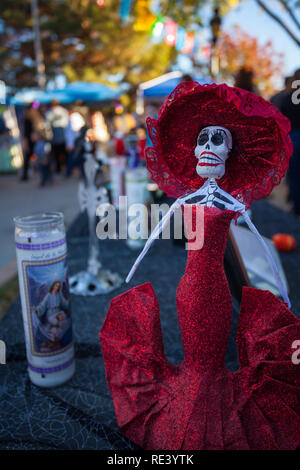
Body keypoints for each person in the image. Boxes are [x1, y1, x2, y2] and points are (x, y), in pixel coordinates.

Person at [100, 82, 300, 450]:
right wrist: (136, 264)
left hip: (214, 289)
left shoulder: (230, 202)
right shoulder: (185, 200)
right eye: (202, 139)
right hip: (188, 286)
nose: (208, 147)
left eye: (218, 140)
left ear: (232, 151)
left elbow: (257, 239)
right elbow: (156, 232)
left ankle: (208, 378)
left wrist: (278, 284)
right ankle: (195, 376)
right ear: (192, 147)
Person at [273, 69, 300, 215]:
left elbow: (281, 119)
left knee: (295, 176)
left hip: (294, 138)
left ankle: (297, 207)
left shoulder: (288, 98)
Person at [33, 280, 71, 351]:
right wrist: (37, 309)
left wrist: (67, 302)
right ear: (53, 286)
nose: (57, 287)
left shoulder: (59, 294)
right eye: (56, 285)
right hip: (51, 313)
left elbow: (63, 302)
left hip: (58, 311)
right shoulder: (49, 295)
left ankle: (57, 340)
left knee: (64, 320)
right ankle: (52, 339)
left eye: (58, 286)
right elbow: (43, 304)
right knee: (56, 322)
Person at [20, 104, 44, 181]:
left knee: (28, 157)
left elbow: (26, 133)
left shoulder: (28, 119)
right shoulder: (37, 118)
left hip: (31, 141)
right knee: (40, 157)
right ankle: (44, 174)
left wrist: (25, 142)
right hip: (37, 140)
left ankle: (25, 174)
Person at [45, 100, 69, 173]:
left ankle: (58, 167)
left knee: (56, 153)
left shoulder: (49, 112)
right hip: (62, 134)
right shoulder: (64, 111)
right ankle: (66, 167)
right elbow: (66, 123)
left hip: (54, 135)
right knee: (64, 153)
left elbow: (47, 124)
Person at [64, 108, 86, 177]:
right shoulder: (75, 117)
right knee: (78, 158)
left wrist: (70, 144)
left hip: (75, 143)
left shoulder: (73, 118)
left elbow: (73, 133)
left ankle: (69, 172)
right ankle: (82, 172)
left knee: (74, 157)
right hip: (76, 142)